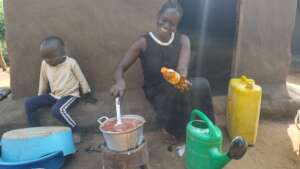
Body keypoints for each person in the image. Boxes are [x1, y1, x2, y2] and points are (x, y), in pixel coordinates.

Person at [110, 0, 215, 142]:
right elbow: (120, 67)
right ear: (157, 17)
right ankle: (170, 128)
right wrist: (120, 81)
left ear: (177, 26)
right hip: (155, 90)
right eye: (164, 20)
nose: (166, 25)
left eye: (172, 24)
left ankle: (208, 129)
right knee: (174, 91)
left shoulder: (183, 40)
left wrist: (181, 78)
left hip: (175, 82)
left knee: (202, 84)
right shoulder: (144, 42)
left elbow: (182, 69)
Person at [24, 36, 97, 143]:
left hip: (70, 95)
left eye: (51, 57)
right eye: (45, 57)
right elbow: (43, 80)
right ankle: (35, 130)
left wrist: (87, 93)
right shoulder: (45, 64)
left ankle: (76, 130)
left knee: (57, 110)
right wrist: (40, 96)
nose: (48, 60)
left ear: (63, 51)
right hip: (54, 95)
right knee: (29, 103)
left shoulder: (71, 63)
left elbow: (81, 79)